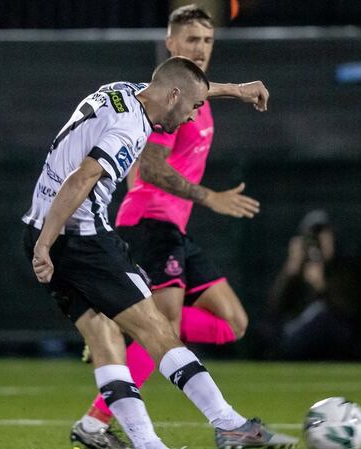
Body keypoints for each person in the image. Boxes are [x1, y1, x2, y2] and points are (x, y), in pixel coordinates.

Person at [23, 56, 297, 449]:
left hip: (36, 226)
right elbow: (82, 176)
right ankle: (229, 424)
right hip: (80, 236)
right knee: (158, 330)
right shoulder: (133, 129)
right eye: (191, 109)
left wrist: (234, 90)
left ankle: (143, 443)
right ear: (172, 97)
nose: (191, 118)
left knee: (105, 342)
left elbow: (185, 86)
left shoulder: (121, 92)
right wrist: (47, 243)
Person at [71, 6, 263, 447]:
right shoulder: (168, 101)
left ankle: (118, 321)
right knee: (165, 326)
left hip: (173, 228)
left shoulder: (195, 94)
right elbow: (151, 169)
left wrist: (240, 89)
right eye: (191, 40)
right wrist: (210, 197)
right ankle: (96, 422)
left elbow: (208, 88)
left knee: (233, 322)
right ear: (171, 45)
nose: (201, 48)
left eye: (208, 40)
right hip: (148, 220)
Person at [264, 210, 361, 360]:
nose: (318, 241)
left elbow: (350, 308)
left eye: (323, 235)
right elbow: (276, 306)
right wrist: (291, 270)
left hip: (338, 335)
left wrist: (321, 285)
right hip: (298, 336)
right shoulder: (298, 269)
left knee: (320, 313)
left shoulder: (343, 267)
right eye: (313, 235)